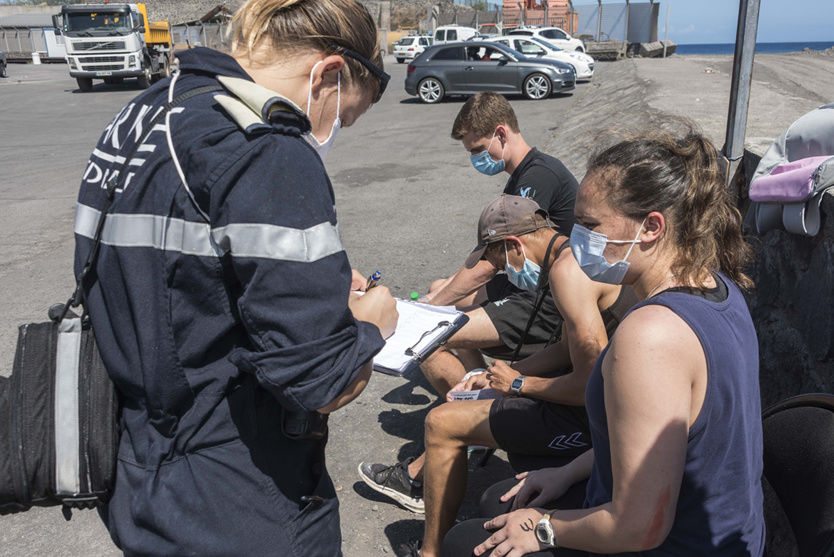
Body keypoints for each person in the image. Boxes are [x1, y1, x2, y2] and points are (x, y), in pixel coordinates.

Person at [73, 0, 398, 554]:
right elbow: (321, 384)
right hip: (238, 494)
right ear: (328, 74)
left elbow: (177, 271)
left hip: (135, 464)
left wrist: (301, 281)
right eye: (343, 114)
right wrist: (371, 328)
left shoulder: (146, 112)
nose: (330, 129)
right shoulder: (266, 148)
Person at [442, 124, 765, 556]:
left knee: (463, 542)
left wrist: (543, 529)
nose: (578, 239)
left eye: (589, 224)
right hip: (718, 531)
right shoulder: (718, 286)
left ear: (651, 227)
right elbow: (653, 441)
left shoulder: (651, 336)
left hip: (667, 544)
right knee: (497, 498)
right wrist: (571, 472)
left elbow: (639, 528)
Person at [359, 196, 637, 557]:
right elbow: (565, 350)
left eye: (499, 264)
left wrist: (518, 385)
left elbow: (589, 385)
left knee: (441, 423)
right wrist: (500, 375)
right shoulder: (570, 258)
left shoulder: (568, 273)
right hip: (596, 409)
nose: (505, 273)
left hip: (593, 422)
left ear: (514, 246)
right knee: (464, 411)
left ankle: (430, 553)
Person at [417, 93, 580, 399]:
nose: (476, 159)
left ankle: (476, 416)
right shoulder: (523, 174)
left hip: (545, 300)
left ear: (501, 134)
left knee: (429, 336)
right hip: (526, 285)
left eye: (478, 149)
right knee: (440, 287)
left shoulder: (538, 178)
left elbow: (492, 263)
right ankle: (479, 385)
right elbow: (489, 255)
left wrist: (429, 307)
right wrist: (437, 295)